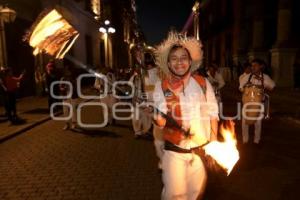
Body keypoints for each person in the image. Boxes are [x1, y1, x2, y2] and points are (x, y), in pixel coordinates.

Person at [153, 32, 219, 199]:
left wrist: (213, 142)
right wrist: (158, 118)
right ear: (168, 63)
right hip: (174, 152)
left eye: (183, 58)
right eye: (174, 58)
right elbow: (160, 121)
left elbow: (213, 113)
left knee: (195, 194)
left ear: (190, 61)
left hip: (199, 152)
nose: (179, 62)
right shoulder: (161, 86)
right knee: (175, 195)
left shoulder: (203, 83)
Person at [239, 58, 275, 145]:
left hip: (259, 104)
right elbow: (240, 87)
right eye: (252, 66)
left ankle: (256, 141)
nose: (253, 67)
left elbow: (273, 87)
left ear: (261, 66)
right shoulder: (247, 77)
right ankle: (245, 140)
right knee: (245, 122)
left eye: (255, 65)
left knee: (258, 123)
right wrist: (245, 87)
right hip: (247, 103)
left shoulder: (265, 77)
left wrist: (262, 81)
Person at [60, 63, 79, 131]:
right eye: (66, 70)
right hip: (65, 97)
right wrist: (63, 88)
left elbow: (76, 87)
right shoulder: (63, 78)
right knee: (65, 111)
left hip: (73, 96)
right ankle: (67, 124)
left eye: (68, 70)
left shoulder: (74, 78)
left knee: (73, 110)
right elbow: (60, 87)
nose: (67, 72)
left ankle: (74, 123)